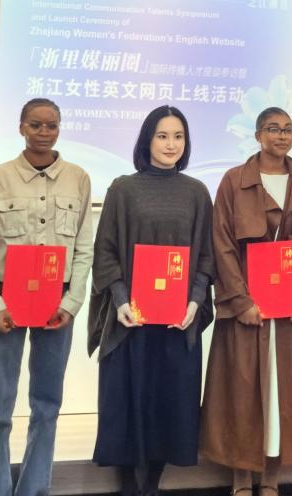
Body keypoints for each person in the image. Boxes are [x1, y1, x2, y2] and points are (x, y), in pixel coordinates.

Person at [200, 107, 292, 496]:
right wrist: (240, 301)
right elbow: (222, 244)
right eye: (273, 129)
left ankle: (271, 478)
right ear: (258, 135)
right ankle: (241, 478)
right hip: (247, 307)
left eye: (289, 129)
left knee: (283, 394)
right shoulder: (233, 181)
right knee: (241, 392)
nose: (282, 136)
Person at [0, 98, 94, 496]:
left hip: (57, 305)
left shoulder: (78, 178)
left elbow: (84, 249)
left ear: (59, 128)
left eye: (51, 125)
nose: (44, 132)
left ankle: (34, 488)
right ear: (21, 127)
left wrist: (71, 304)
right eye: (35, 125)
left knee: (47, 405)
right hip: (5, 303)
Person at [89, 105, 216, 496]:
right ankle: (129, 484)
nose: (171, 144)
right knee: (128, 400)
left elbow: (206, 256)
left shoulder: (197, 193)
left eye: (178, 136)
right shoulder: (123, 189)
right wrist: (120, 300)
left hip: (178, 319)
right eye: (162, 136)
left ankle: (153, 484)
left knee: (170, 401)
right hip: (133, 319)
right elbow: (105, 250)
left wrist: (195, 301)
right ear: (147, 140)